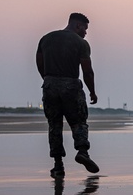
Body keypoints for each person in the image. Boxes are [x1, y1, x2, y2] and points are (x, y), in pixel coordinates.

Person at [35, 12, 100, 178]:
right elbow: (87, 71)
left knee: (54, 125)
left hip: (49, 86)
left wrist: (48, 79)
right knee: (79, 122)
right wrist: (92, 91)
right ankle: (82, 152)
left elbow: (39, 63)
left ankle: (58, 166)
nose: (85, 33)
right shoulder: (81, 43)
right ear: (77, 25)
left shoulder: (46, 39)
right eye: (85, 29)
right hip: (71, 85)